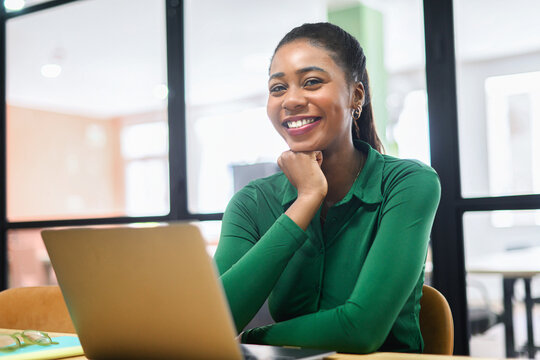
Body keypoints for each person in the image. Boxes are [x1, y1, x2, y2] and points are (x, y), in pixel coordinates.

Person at [214, 22, 441, 354]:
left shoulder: (408, 183)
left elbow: (361, 330)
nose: (290, 100)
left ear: (356, 96)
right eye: (278, 88)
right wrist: (305, 201)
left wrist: (250, 340)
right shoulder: (251, 203)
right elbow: (216, 319)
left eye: (312, 82)